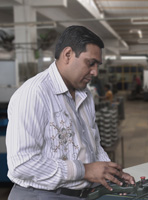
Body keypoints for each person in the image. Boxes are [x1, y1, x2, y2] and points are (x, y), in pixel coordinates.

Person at [6, 25, 134, 200]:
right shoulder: (35, 93)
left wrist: (111, 173)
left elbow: (93, 147)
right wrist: (84, 170)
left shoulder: (85, 95)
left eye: (97, 65)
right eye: (90, 63)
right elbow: (22, 164)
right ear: (68, 55)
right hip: (41, 195)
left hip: (81, 193)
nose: (95, 72)